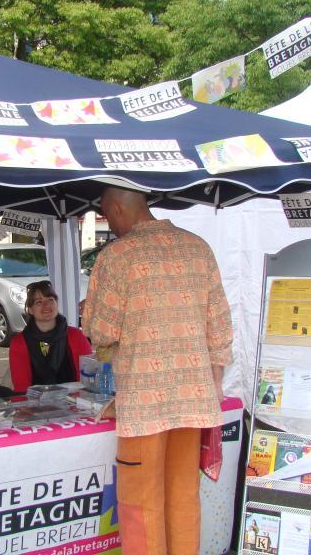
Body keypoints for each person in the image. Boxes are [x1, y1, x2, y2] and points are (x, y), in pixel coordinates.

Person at [82, 186, 232, 555]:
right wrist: (214, 386)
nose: (109, 223)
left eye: (106, 215)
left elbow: (100, 330)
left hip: (144, 404)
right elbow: (221, 327)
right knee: (183, 497)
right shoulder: (198, 248)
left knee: (141, 504)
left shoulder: (117, 256)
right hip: (195, 400)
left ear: (117, 208)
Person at [9, 280, 93, 393]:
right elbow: (22, 389)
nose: (46, 305)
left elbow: (87, 381)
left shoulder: (76, 336)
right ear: (30, 310)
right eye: (38, 302)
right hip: (35, 406)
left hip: (74, 404)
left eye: (50, 300)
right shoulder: (19, 343)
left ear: (56, 304)